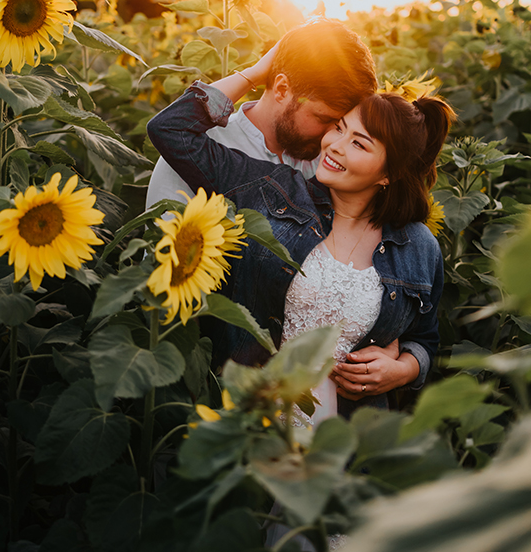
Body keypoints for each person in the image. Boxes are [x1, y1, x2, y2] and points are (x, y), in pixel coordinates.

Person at [146, 40, 454, 416]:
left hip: (348, 435)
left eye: (357, 141)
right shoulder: (275, 188)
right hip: (248, 413)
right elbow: (170, 129)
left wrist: (406, 367)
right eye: (335, 125)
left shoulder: (418, 247)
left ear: (388, 174)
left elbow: (425, 337)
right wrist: (256, 71)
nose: (333, 144)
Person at [145, 19, 378, 210]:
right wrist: (254, 73)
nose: (334, 138)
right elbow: (165, 256)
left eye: (341, 125)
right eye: (324, 119)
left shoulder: (331, 163)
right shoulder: (198, 148)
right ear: (282, 89)